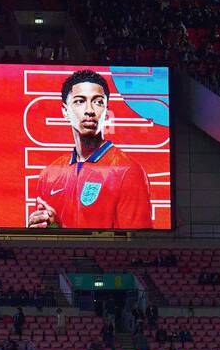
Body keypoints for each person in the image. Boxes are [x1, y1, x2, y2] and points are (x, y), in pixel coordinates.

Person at [28, 69, 152, 230]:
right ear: (65, 111)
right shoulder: (49, 175)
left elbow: (136, 243)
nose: (90, 110)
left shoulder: (128, 170)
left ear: (107, 112)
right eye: (80, 101)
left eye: (98, 102)